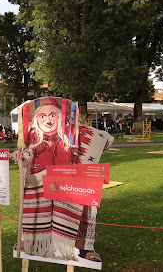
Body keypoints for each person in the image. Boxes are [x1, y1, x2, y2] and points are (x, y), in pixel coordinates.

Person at [11, 97, 113, 262]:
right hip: (41, 181)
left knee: (87, 208)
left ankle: (86, 248)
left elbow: (106, 140)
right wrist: (19, 156)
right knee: (34, 207)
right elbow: (26, 155)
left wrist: (96, 145)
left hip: (70, 182)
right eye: (42, 116)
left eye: (52, 115)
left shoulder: (73, 134)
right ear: (36, 120)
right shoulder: (33, 138)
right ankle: (30, 242)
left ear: (61, 117)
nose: (48, 119)